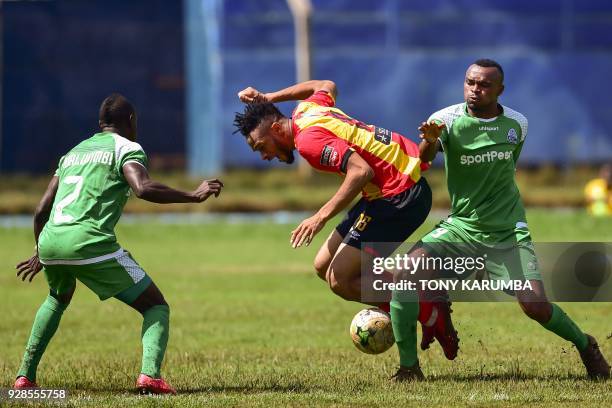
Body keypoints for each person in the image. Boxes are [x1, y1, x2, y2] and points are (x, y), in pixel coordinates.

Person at [389, 59, 611, 381]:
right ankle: (409, 368)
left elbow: (508, 168)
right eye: (470, 82)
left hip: (508, 231)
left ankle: (585, 344)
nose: (474, 90)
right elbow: (425, 158)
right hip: (462, 226)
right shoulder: (446, 120)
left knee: (535, 306)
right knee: (404, 274)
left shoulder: (516, 124)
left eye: (483, 85)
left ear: (500, 90)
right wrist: (430, 140)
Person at [233, 80, 458, 361]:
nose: (264, 156)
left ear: (277, 129)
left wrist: (320, 217)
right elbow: (326, 84)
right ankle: (413, 297)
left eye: (261, 146)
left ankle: (426, 307)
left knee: (341, 280)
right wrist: (268, 97)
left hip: (400, 196)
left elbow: (360, 171)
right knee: (322, 265)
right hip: (387, 191)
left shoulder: (308, 142)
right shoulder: (307, 110)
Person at [14, 93, 224, 394]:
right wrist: (193, 195)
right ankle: (150, 377)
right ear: (131, 121)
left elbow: (40, 210)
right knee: (156, 307)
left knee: (57, 298)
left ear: (101, 124)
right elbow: (143, 187)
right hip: (88, 242)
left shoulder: (74, 152)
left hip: (50, 240)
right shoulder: (127, 148)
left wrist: (40, 250)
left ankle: (24, 377)